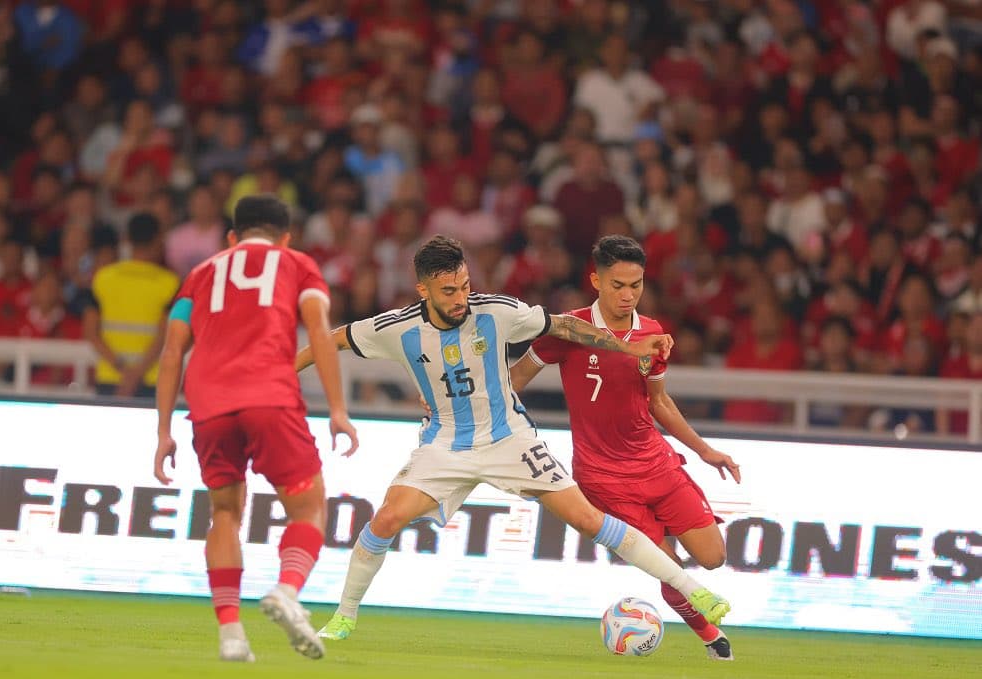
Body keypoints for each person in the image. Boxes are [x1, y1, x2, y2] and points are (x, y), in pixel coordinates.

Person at [295, 236, 731, 642]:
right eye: (449, 291)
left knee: (587, 520)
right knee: (387, 519)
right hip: (444, 445)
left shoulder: (496, 310)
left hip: (511, 441)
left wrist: (624, 345)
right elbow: (330, 340)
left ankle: (693, 590)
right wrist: (281, 372)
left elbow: (562, 326)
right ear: (423, 290)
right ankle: (345, 615)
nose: (461, 298)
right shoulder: (397, 328)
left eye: (465, 286)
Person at [510, 235, 740, 661]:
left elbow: (659, 402)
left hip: (657, 465)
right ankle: (712, 638)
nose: (628, 294)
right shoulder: (568, 329)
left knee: (713, 557)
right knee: (670, 569)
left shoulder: (652, 334)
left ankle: (664, 536)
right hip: (604, 479)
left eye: (636, 285)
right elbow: (515, 380)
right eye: (618, 284)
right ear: (595, 279)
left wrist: (706, 450)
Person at [153, 194, 359, 663]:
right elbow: (320, 333)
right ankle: (287, 591)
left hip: (208, 403)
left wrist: (163, 430)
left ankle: (230, 635)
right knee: (308, 509)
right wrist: (338, 409)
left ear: (232, 237)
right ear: (285, 238)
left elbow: (171, 351)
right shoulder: (297, 265)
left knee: (223, 512)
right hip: (269, 396)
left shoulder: (200, 275)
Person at [83, 212, 178, 397]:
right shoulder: (170, 283)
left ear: (127, 239)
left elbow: (90, 332)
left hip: (110, 377)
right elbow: (166, 335)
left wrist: (122, 370)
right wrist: (136, 374)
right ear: (158, 239)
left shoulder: (102, 277)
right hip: (151, 379)